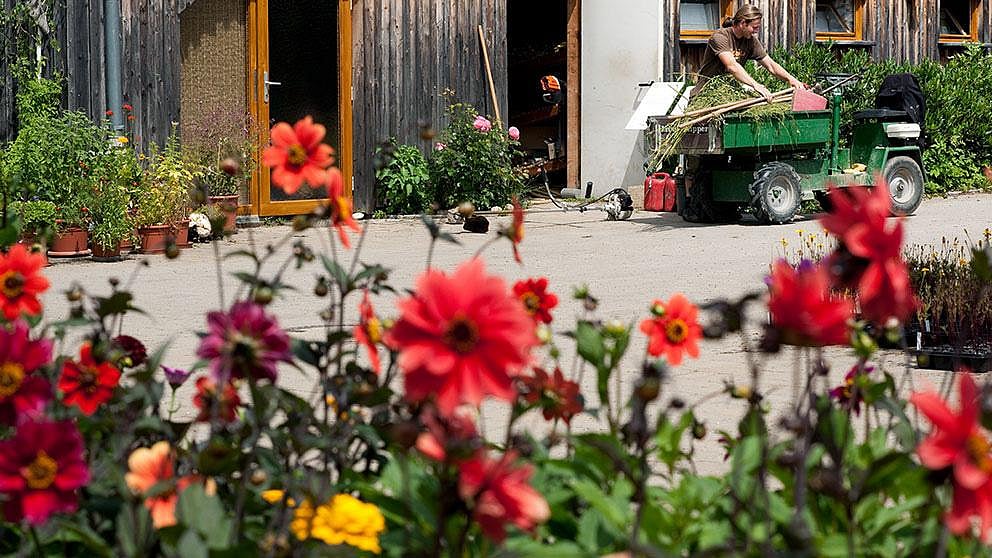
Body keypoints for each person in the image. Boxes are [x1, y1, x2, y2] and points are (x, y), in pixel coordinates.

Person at [690, 5, 807, 101]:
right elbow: (732, 66)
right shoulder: (720, 37)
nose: (756, 31)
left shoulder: (750, 41)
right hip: (705, 95)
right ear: (742, 24)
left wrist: (791, 79)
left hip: (729, 95)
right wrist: (755, 85)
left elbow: (770, 65)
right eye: (754, 27)